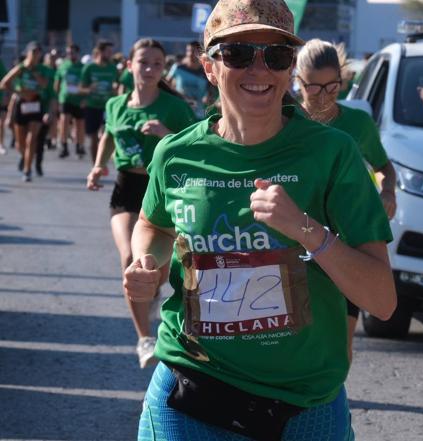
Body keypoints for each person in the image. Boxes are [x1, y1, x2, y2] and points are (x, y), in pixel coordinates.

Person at [124, 0, 397, 438]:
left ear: (290, 69)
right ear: (209, 66)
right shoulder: (176, 154)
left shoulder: (332, 153)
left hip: (305, 403)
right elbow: (154, 225)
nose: (259, 69)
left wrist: (305, 229)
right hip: (190, 389)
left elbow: (382, 300)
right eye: (237, 54)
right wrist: (148, 262)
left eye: (276, 56)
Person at [86, 38, 196, 369]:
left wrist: (165, 134)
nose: (149, 69)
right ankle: (145, 338)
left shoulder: (174, 108)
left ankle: (153, 293)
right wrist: (97, 165)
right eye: (143, 62)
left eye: (156, 64)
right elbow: (107, 136)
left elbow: (196, 146)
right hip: (126, 187)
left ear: (164, 69)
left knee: (159, 271)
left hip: (161, 188)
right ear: (130, 64)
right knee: (131, 258)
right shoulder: (116, 104)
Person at [296, 38, 397, 362]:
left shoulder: (357, 124)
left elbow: (384, 168)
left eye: (333, 86)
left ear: (343, 79)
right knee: (296, 340)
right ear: (297, 83)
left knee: (342, 343)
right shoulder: (283, 123)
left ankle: (330, 409)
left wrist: (387, 192)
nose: (324, 96)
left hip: (345, 245)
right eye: (314, 88)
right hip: (295, 244)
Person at [0, 41, 49, 181]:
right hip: (22, 104)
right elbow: (4, 83)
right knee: (20, 143)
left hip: (36, 104)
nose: (35, 55)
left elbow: (45, 85)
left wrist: (34, 72)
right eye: (33, 52)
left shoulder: (42, 69)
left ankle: (27, 170)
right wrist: (18, 92)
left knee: (31, 139)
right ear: (27, 53)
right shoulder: (21, 68)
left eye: (38, 53)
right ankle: (25, 156)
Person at [79, 40, 117, 162]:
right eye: (108, 52)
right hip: (92, 106)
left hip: (107, 107)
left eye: (112, 52)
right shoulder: (89, 68)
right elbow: (80, 89)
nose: (111, 54)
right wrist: (89, 89)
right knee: (94, 137)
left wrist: (115, 90)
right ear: (100, 52)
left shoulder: (112, 68)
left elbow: (117, 85)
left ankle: (102, 161)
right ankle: (95, 163)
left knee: (106, 134)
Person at [166, 41, 211, 119]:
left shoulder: (206, 72)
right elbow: (165, 84)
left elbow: (211, 91)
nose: (190, 53)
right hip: (179, 111)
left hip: (199, 114)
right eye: (188, 50)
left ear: (200, 54)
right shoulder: (177, 67)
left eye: (193, 51)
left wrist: (208, 97)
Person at [54, 43, 85, 158]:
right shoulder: (63, 65)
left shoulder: (82, 67)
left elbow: (86, 83)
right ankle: (64, 145)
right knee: (64, 121)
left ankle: (79, 145)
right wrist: (57, 98)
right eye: (68, 53)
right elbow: (57, 81)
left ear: (77, 53)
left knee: (79, 124)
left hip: (79, 99)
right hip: (65, 98)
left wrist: (85, 99)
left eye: (72, 53)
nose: (70, 55)